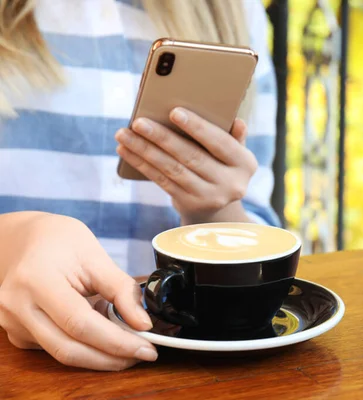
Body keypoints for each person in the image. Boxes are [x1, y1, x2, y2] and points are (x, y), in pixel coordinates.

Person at [0, 0, 279, 371]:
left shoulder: (236, 12)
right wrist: (11, 242)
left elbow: (257, 234)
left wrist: (212, 210)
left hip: (186, 371)